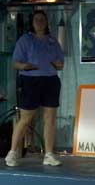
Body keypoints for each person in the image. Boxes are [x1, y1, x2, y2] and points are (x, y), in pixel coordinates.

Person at [5, 10, 64, 167]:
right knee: (25, 119)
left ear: (46, 22)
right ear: (32, 23)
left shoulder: (53, 41)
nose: (40, 22)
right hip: (30, 81)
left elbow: (61, 64)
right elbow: (15, 63)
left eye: (42, 19)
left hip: (50, 81)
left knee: (50, 119)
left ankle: (49, 155)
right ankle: (11, 153)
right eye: (37, 19)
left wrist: (57, 64)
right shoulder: (25, 40)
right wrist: (25, 66)